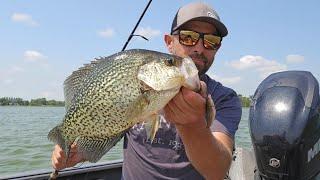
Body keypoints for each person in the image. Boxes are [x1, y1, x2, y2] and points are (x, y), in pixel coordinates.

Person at [51, 2, 242, 180]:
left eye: (211, 41)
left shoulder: (224, 98)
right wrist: (73, 153)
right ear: (169, 42)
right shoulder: (136, 88)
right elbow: (109, 130)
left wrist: (193, 125)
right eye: (188, 37)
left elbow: (217, 170)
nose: (200, 48)